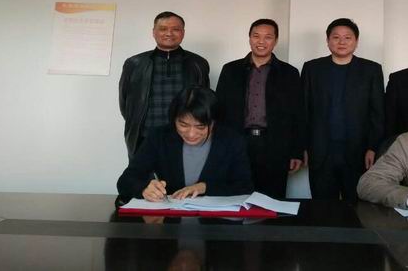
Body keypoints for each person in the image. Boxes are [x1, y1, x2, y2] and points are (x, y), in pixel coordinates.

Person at [116, 86, 253, 205]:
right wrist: (143, 188)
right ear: (174, 119)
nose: (191, 134)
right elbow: (125, 181)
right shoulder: (159, 137)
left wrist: (204, 187)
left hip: (216, 222)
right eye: (183, 125)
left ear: (214, 122)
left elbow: (245, 186)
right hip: (172, 219)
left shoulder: (232, 141)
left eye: (200, 127)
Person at [216, 19, 304, 198]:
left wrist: (296, 152)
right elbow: (219, 111)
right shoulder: (230, 70)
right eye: (256, 36)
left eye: (268, 37)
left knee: (272, 199)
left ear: (275, 41)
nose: (261, 41)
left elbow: (298, 115)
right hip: (238, 142)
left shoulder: (289, 73)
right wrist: (219, 146)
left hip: (275, 145)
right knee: (237, 197)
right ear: (249, 38)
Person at [302, 18, 384, 201]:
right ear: (328, 40)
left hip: (358, 152)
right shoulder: (312, 68)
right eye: (336, 37)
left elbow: (377, 113)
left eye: (347, 37)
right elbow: (304, 111)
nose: (342, 42)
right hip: (320, 151)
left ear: (356, 41)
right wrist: (303, 146)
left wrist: (373, 147)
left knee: (357, 207)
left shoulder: (371, 70)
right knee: (322, 207)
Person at [119, 11, 210, 159]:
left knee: (185, 174)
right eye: (163, 29)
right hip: (145, 137)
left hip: (186, 137)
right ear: (153, 32)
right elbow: (125, 103)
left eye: (175, 29)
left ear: (183, 33)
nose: (169, 33)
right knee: (143, 174)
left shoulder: (198, 63)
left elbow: (204, 102)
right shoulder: (135, 63)